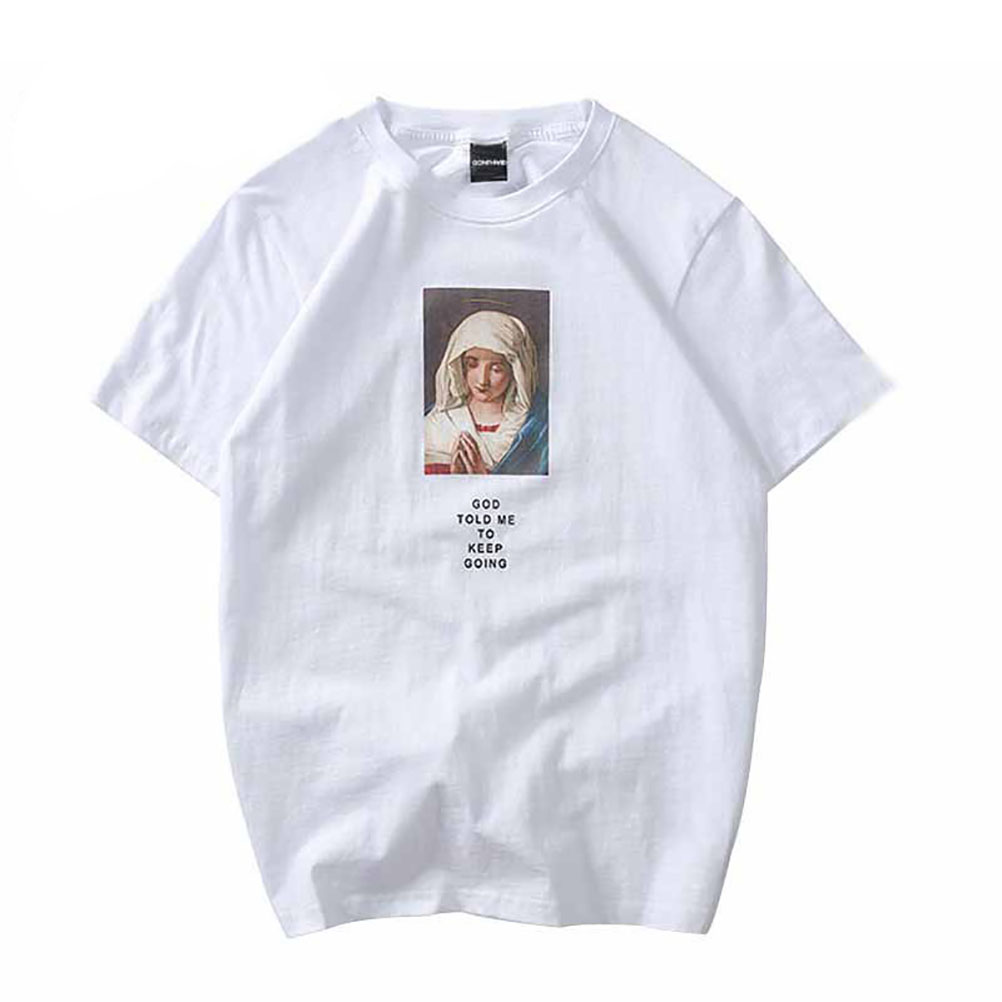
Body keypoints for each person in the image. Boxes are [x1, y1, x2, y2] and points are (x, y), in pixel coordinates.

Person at [423, 309, 548, 475]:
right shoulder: (437, 423)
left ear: (515, 371)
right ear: (459, 366)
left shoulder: (535, 429)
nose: (483, 380)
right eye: (472, 364)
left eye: (496, 369)